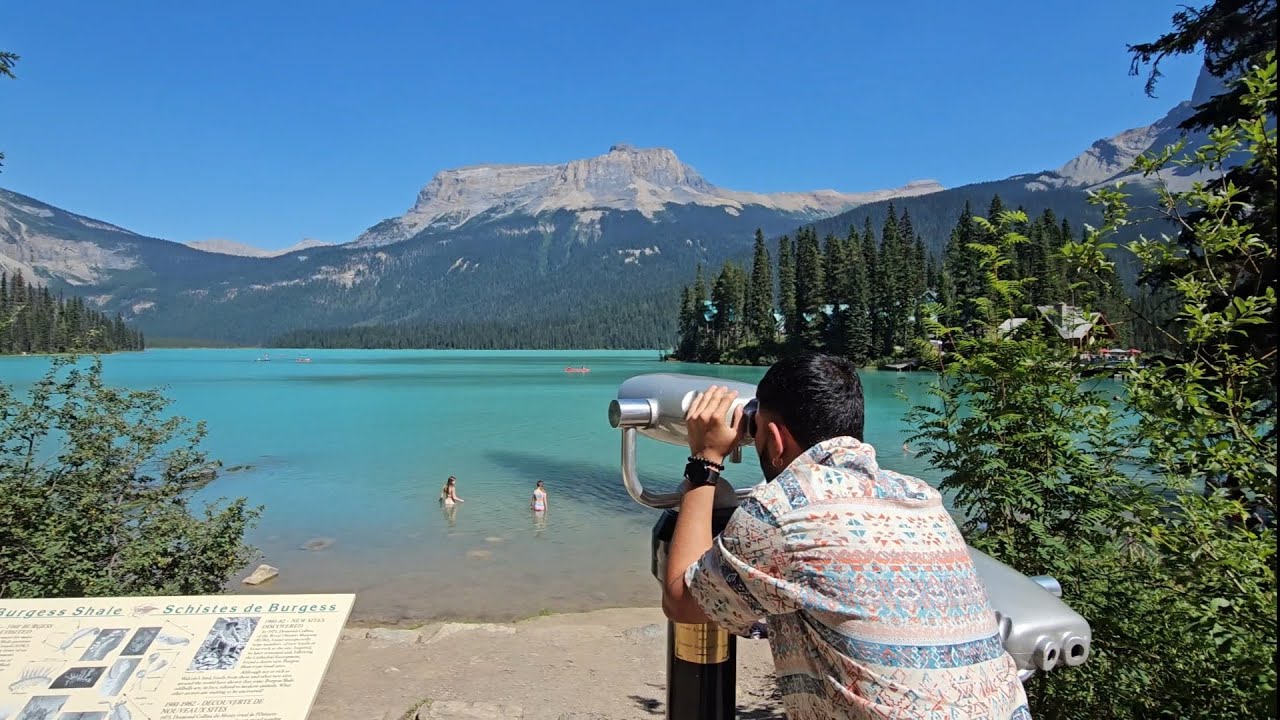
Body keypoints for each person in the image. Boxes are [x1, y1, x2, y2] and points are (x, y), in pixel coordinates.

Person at [661, 351, 1029, 719]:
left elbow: (682, 601)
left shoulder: (785, 509)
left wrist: (705, 461)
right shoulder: (920, 496)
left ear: (774, 438)